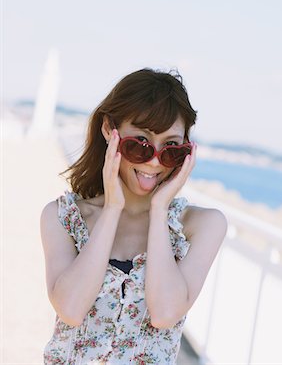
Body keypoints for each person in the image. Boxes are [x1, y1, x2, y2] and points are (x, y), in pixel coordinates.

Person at [41, 68, 227, 365]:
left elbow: (165, 313)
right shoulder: (64, 217)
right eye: (140, 143)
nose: (154, 161)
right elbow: (71, 308)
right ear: (108, 131)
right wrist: (113, 208)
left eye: (170, 148)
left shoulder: (201, 226)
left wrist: (159, 210)